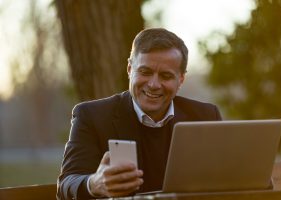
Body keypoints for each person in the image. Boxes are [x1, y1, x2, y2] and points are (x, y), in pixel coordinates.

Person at [57, 28, 222, 200]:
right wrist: (93, 184)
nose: (153, 84)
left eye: (165, 76)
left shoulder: (206, 116)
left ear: (180, 80)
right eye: (145, 72)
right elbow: (66, 184)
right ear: (130, 69)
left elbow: (225, 178)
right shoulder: (92, 116)